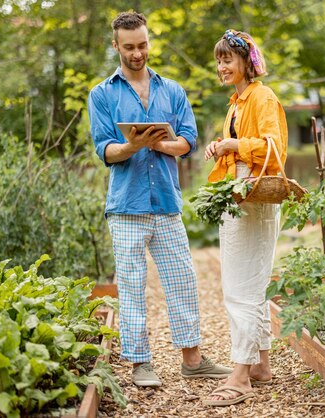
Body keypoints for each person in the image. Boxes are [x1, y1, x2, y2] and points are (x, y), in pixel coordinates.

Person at [87, 11, 232, 388]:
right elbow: (105, 151)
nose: (138, 53)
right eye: (130, 47)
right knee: (132, 286)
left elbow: (188, 141)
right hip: (126, 206)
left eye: (143, 45)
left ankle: (193, 359)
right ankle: (140, 364)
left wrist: (162, 143)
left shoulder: (172, 90)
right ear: (116, 46)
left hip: (166, 203)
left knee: (182, 280)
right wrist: (133, 145)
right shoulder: (102, 94)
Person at [202, 29, 288, 407]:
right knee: (249, 282)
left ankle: (239, 375)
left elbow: (274, 146)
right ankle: (260, 366)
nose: (222, 66)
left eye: (228, 59)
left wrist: (235, 145)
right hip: (238, 190)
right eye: (219, 60)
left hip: (254, 193)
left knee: (241, 288)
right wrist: (220, 148)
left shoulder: (262, 96)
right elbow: (239, 151)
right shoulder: (236, 103)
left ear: (245, 62)